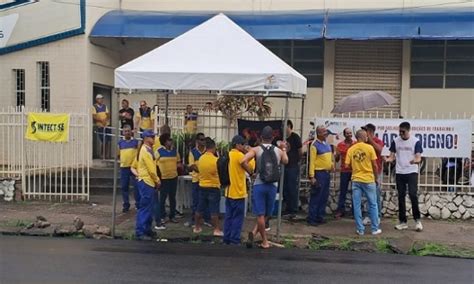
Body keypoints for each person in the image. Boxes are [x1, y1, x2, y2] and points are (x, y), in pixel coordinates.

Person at [241, 126, 289, 249]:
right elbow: (286, 161)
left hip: (259, 184)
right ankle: (258, 235)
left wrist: (251, 172)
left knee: (260, 215)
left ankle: (263, 240)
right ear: (273, 138)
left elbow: (242, 161)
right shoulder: (278, 150)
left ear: (261, 137)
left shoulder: (256, 149)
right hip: (273, 185)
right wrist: (283, 149)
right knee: (267, 214)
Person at [384, 121, 423, 232]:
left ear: (408, 130)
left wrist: (415, 161)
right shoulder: (396, 141)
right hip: (400, 172)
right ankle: (403, 222)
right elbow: (392, 156)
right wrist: (388, 160)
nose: (401, 134)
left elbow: (419, 157)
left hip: (411, 172)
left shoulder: (415, 141)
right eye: (399, 131)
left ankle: (417, 220)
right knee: (401, 196)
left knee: (412, 194)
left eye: (403, 132)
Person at [345, 129, 381, 236]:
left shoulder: (351, 149)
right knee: (373, 204)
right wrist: (375, 177)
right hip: (369, 179)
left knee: (356, 205)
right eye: (366, 136)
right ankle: (374, 229)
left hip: (356, 179)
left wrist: (356, 167)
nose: (367, 138)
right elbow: (375, 165)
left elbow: (346, 165)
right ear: (363, 137)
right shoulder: (369, 148)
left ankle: (360, 229)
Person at [223, 135, 254, 245]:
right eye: (242, 144)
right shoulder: (239, 156)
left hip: (228, 190)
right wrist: (251, 155)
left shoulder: (228, 154)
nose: (244, 146)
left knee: (228, 216)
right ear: (237, 145)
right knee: (238, 217)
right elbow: (250, 169)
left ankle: (226, 237)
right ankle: (234, 239)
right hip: (238, 192)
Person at [194, 137, 223, 236]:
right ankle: (216, 229)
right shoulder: (216, 160)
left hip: (202, 186)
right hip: (214, 187)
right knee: (214, 210)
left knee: (199, 208)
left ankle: (197, 227)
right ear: (214, 148)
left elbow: (198, 169)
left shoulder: (201, 158)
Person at [135, 130, 161, 241]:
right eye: (151, 137)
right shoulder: (145, 151)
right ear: (146, 138)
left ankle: (146, 229)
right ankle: (140, 231)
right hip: (147, 181)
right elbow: (151, 169)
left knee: (149, 207)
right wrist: (157, 180)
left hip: (148, 181)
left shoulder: (148, 150)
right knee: (145, 207)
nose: (154, 138)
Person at [307, 125, 334, 226]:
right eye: (324, 132)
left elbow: (329, 158)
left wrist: (331, 165)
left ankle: (320, 216)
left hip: (326, 173)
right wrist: (312, 176)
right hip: (319, 174)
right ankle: (312, 218)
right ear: (319, 133)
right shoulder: (314, 145)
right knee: (316, 196)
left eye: (326, 131)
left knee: (324, 196)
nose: (326, 133)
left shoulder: (327, 144)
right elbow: (312, 162)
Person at [185, 133, 211, 227]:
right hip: (196, 180)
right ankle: (193, 220)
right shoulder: (193, 152)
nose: (203, 141)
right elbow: (192, 166)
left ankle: (207, 219)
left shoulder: (207, 151)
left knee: (206, 201)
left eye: (204, 139)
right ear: (197, 141)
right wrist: (202, 170)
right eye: (201, 139)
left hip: (205, 180)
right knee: (196, 201)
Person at [156, 133, 182, 224]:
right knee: (162, 198)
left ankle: (172, 215)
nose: (171, 141)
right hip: (163, 178)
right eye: (169, 140)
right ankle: (162, 216)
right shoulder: (159, 151)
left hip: (173, 177)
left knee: (172, 197)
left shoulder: (175, 151)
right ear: (164, 141)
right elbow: (154, 162)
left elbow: (178, 162)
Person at [362, 123, 385, 223]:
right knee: (366, 195)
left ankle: (377, 216)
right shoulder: (363, 142)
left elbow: (380, 150)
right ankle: (367, 215)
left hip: (376, 172)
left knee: (376, 194)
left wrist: (370, 140)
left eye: (365, 131)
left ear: (370, 132)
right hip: (365, 172)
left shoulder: (378, 141)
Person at [282, 120, 303, 219]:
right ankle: (287, 208)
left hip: (293, 166)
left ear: (289, 126)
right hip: (283, 166)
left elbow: (300, 151)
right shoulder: (281, 138)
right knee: (284, 188)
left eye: (284, 126)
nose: (282, 128)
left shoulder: (295, 137)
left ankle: (293, 209)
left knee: (292, 188)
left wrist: (296, 161)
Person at [118, 125, 140, 213]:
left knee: (136, 186)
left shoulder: (135, 142)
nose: (127, 132)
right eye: (125, 131)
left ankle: (138, 204)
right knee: (124, 187)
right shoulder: (120, 143)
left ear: (131, 132)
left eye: (128, 131)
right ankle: (126, 205)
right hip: (124, 167)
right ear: (123, 132)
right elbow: (118, 154)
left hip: (134, 167)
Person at [334, 128, 354, 219]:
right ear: (344, 135)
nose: (349, 134)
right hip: (344, 171)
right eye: (347, 133)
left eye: (350, 133)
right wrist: (337, 155)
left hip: (354, 171)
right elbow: (337, 159)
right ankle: (340, 211)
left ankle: (355, 211)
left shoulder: (356, 144)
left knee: (355, 192)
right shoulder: (340, 145)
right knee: (343, 191)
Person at [92, 94, 110, 159]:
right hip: (100, 126)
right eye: (100, 98)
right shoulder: (94, 107)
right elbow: (94, 116)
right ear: (97, 99)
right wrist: (101, 120)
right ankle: (102, 154)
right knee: (103, 140)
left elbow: (108, 114)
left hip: (106, 125)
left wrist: (105, 120)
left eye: (102, 98)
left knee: (107, 140)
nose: (101, 100)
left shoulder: (105, 106)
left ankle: (106, 154)